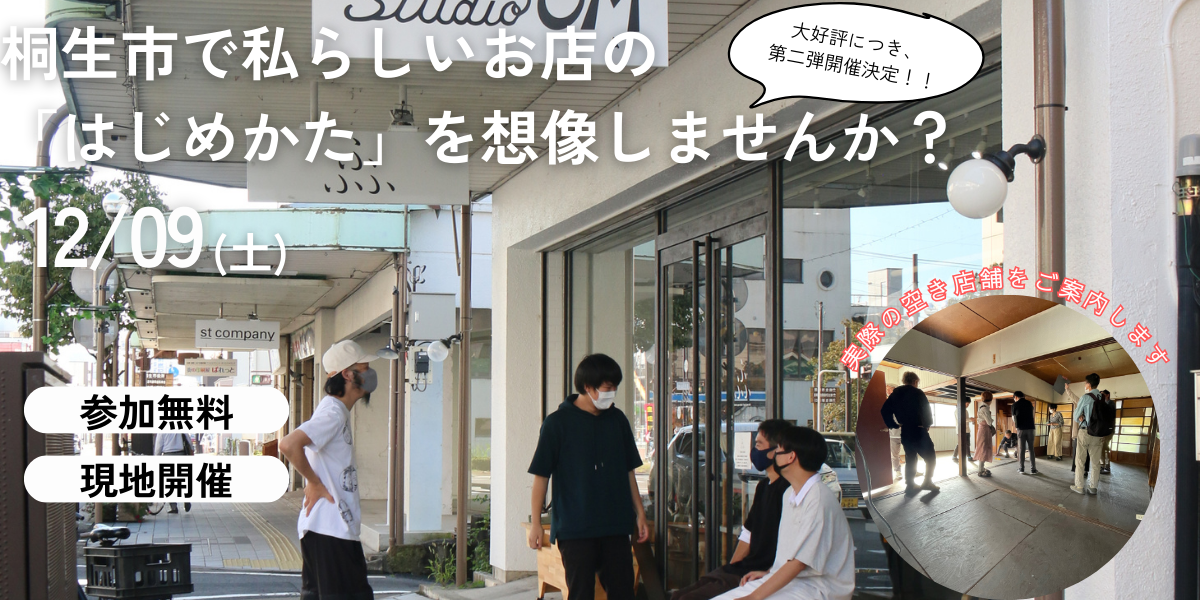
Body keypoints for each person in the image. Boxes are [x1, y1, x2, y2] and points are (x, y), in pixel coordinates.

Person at [528, 354, 649, 600]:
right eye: (607, 388)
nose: (612, 393)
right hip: (575, 529)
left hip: (615, 525)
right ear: (588, 387)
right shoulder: (557, 424)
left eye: (615, 387)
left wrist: (640, 513)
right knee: (580, 593)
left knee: (624, 592)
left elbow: (629, 472)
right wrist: (536, 524)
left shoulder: (618, 421)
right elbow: (541, 477)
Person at [278, 340, 377, 600]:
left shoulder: (335, 410)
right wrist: (313, 482)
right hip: (331, 530)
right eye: (364, 368)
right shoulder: (333, 413)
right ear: (348, 374)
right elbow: (288, 444)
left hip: (325, 529)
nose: (370, 374)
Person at [711, 427, 854, 600]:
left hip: (818, 589)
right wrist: (769, 572)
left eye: (778, 450)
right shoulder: (790, 494)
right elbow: (791, 556)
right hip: (795, 583)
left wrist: (753, 597)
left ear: (791, 456)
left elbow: (799, 563)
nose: (774, 455)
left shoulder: (819, 498)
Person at [670, 420, 793, 600]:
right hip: (741, 570)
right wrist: (730, 569)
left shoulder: (788, 491)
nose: (754, 450)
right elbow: (748, 533)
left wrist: (765, 573)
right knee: (678, 596)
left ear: (777, 451)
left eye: (759, 445)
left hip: (760, 574)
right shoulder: (763, 487)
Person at [880, 371, 939, 493]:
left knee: (910, 457)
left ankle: (910, 485)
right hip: (919, 430)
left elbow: (884, 410)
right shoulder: (918, 392)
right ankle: (927, 482)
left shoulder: (896, 393)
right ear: (915, 381)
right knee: (930, 457)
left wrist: (893, 425)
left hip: (905, 430)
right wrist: (928, 424)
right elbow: (927, 410)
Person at [1070, 373, 1106, 495]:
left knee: (1080, 460)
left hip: (1085, 431)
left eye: (1085, 383)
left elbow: (1076, 417)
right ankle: (1093, 488)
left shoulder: (1086, 397)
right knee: (1095, 462)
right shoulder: (1102, 397)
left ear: (1089, 384)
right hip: (1099, 433)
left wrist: (1080, 416)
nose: (1085, 385)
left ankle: (1079, 486)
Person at [154, 431, 194, 513]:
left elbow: (158, 447)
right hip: (181, 455)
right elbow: (188, 440)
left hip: (168, 456)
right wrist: (192, 450)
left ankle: (174, 507)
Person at [1011, 391, 1037, 474]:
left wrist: (1017, 426)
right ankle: (1033, 469)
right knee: (1031, 449)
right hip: (1031, 428)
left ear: (1016, 397)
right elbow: (1032, 415)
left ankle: (1021, 468)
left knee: (1021, 449)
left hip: (1021, 429)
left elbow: (1013, 418)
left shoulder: (1014, 405)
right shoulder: (1029, 403)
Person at [883, 384, 903, 482]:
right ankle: (897, 471)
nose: (888, 392)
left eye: (890, 390)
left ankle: (913, 471)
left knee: (911, 452)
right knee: (894, 455)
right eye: (887, 391)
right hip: (893, 435)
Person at [973, 392, 995, 477]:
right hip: (984, 431)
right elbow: (989, 422)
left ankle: (981, 468)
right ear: (991, 399)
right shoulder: (985, 409)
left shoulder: (982, 407)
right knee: (983, 449)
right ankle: (980, 470)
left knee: (983, 448)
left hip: (983, 430)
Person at [951, 394, 975, 464]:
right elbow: (961, 419)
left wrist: (971, 420)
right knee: (960, 444)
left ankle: (969, 457)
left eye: (968, 404)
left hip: (967, 430)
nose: (968, 405)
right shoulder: (958, 410)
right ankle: (954, 457)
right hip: (960, 430)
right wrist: (970, 419)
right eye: (967, 403)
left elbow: (966, 420)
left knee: (967, 444)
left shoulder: (966, 411)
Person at [1099, 390, 1115, 475]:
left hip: (1107, 430)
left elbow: (1109, 417)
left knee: (1103, 448)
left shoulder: (1110, 404)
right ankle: (1104, 466)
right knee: (1103, 448)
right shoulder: (1105, 404)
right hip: (1104, 430)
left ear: (1107, 395)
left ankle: (1105, 466)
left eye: (1103, 395)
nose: (1101, 397)